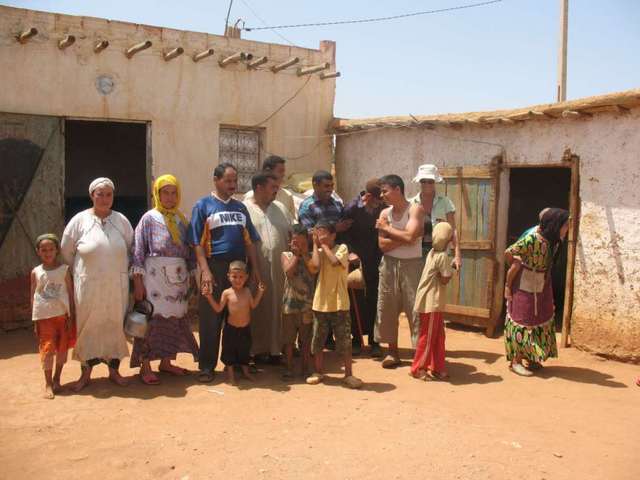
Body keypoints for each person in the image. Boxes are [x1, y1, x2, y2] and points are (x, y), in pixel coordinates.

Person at [189, 163, 261, 383]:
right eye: (228, 180)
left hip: (239, 269)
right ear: (216, 180)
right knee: (211, 319)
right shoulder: (203, 206)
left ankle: (238, 362)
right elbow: (196, 243)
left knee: (239, 317)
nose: (232, 185)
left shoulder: (240, 208)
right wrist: (205, 271)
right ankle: (207, 366)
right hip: (214, 268)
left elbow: (249, 242)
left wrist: (255, 270)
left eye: (234, 180)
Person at [61, 177, 133, 391]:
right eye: (99, 194)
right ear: (92, 195)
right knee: (87, 325)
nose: (104, 198)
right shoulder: (79, 221)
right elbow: (67, 252)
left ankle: (114, 370)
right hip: (88, 284)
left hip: (115, 285)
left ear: (113, 197)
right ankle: (86, 373)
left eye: (108, 194)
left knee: (114, 324)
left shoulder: (121, 221)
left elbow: (131, 248)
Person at [130, 174, 199, 385]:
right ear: (157, 194)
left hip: (178, 280)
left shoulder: (182, 219)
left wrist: (193, 277)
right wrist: (138, 282)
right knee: (151, 321)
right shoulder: (149, 218)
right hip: (154, 280)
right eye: (165, 193)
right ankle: (146, 365)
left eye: (173, 192)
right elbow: (138, 251)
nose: (169, 197)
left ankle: (166, 362)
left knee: (175, 320)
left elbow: (190, 252)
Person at [504, 208, 570, 376]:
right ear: (556, 225)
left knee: (539, 317)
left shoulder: (554, 240)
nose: (568, 227)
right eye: (565, 224)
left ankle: (531, 356)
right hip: (525, 283)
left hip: (542, 284)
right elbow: (509, 252)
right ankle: (516, 361)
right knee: (523, 319)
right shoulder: (532, 238)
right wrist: (517, 267)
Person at [374, 174, 425, 369]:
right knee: (387, 307)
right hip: (388, 265)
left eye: (385, 190)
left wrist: (390, 230)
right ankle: (392, 352)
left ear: (397, 189)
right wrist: (405, 238)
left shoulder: (415, 209)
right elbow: (382, 245)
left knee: (415, 309)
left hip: (412, 265)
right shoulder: (384, 214)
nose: (382, 195)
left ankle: (418, 355)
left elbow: (412, 236)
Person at [306, 220, 363, 389]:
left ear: (333, 235)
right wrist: (316, 246)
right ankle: (318, 371)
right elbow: (314, 267)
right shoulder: (319, 250)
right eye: (317, 233)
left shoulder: (342, 248)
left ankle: (348, 374)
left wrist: (322, 246)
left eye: (323, 232)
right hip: (320, 302)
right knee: (318, 340)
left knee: (344, 340)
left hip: (339, 302)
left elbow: (334, 262)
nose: (320, 236)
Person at [244, 172, 293, 363]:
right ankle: (255, 351)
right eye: (272, 187)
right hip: (255, 269)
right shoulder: (244, 209)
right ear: (259, 188)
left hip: (281, 271)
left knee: (277, 308)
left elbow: (292, 233)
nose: (276, 191)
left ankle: (275, 350)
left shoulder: (280, 208)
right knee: (256, 309)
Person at [204, 261, 266, 385]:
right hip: (230, 329)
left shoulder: (247, 291)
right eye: (234, 277)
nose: (237, 280)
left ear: (246, 277)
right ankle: (231, 376)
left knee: (244, 351)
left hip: (245, 329)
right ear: (228, 276)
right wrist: (209, 296)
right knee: (229, 352)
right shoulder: (227, 293)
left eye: (241, 277)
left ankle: (246, 372)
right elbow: (218, 309)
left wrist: (260, 292)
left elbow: (253, 305)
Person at [31, 233, 76, 399]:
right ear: (38, 251)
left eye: (51, 249)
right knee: (47, 349)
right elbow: (33, 296)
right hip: (44, 318)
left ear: (57, 250)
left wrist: (72, 315)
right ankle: (48, 383)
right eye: (44, 250)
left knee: (62, 348)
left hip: (62, 316)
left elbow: (70, 294)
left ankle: (57, 378)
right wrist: (34, 319)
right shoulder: (36, 272)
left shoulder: (64, 271)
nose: (47, 252)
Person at [343, 179, 385, 357]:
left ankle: (375, 341)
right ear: (368, 197)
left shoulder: (382, 208)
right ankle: (356, 340)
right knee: (355, 301)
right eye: (377, 199)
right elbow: (342, 234)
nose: (380, 202)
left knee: (375, 299)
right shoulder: (351, 208)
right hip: (355, 262)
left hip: (376, 260)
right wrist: (350, 253)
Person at [410, 222, 454, 381]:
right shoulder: (442, 256)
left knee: (438, 336)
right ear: (448, 240)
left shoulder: (432, 252)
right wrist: (452, 270)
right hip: (431, 303)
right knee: (428, 337)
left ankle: (437, 367)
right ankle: (418, 368)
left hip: (433, 303)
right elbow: (444, 279)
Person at [281, 224, 318, 378]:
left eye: (303, 243)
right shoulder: (286, 255)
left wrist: (305, 253)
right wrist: (296, 255)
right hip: (289, 306)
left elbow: (314, 268)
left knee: (305, 340)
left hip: (306, 307)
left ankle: (305, 368)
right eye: (296, 243)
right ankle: (289, 368)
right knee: (289, 341)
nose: (299, 246)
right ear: (290, 241)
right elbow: (289, 272)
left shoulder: (311, 256)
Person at [410, 164, 461, 268]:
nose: (427, 184)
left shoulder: (445, 202)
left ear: (435, 182)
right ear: (420, 182)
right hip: (415, 253)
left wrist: (457, 254)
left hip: (439, 252)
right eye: (423, 181)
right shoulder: (411, 203)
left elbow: (453, 230)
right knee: (417, 283)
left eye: (430, 181)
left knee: (438, 283)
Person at [298, 170, 352, 235]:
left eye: (332, 186)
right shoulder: (306, 206)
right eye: (326, 186)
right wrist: (334, 229)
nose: (330, 189)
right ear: (315, 186)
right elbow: (307, 235)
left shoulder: (337, 204)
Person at [244, 155, 297, 220]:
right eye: (280, 171)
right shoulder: (250, 197)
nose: (283, 174)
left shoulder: (287, 196)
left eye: (284, 171)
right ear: (268, 171)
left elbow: (292, 221)